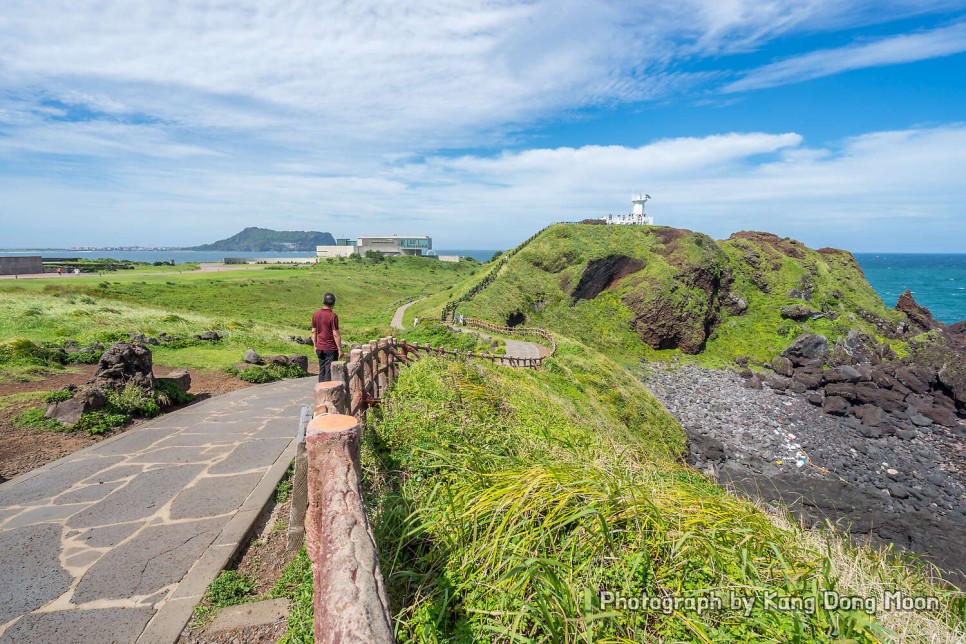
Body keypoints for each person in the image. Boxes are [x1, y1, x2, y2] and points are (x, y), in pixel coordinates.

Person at [311, 292, 343, 382]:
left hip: (320, 347)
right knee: (329, 372)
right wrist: (340, 349)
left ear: (323, 301)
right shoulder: (333, 316)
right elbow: (335, 334)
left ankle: (321, 391)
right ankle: (327, 394)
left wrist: (315, 345)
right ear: (333, 303)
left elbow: (313, 331)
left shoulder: (315, 314)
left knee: (322, 371)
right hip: (330, 348)